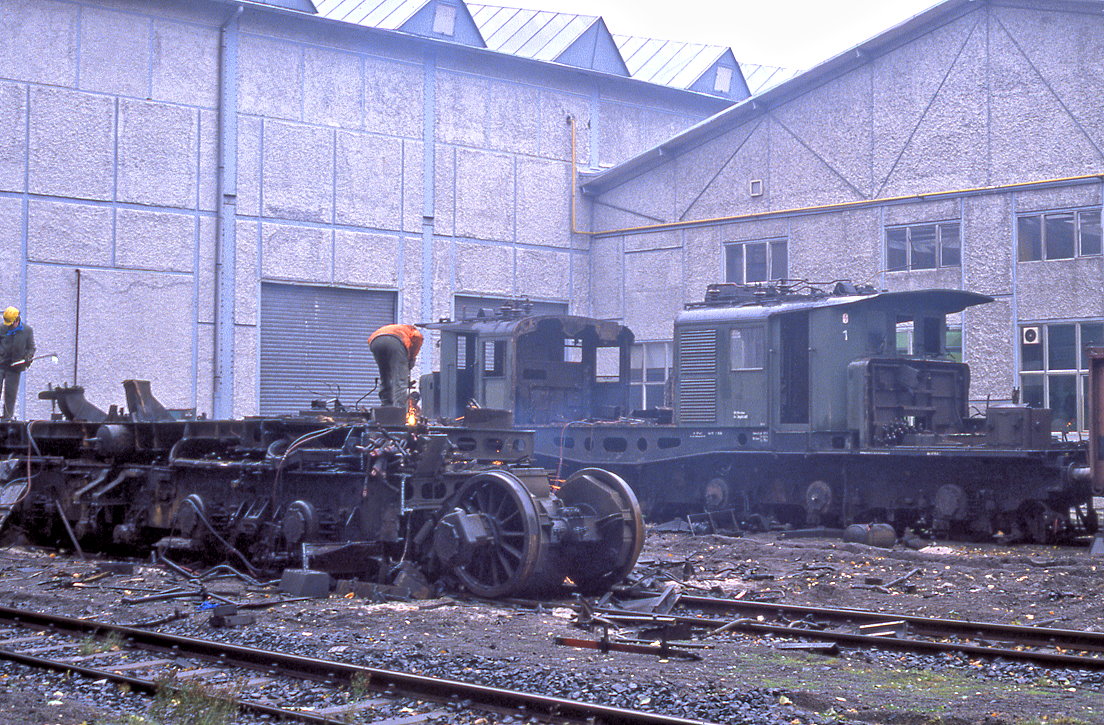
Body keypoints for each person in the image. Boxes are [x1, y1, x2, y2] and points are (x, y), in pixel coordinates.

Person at [367, 323, 423, 407]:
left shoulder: (396, 328)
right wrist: (411, 358)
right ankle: (399, 409)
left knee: (385, 376)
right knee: (400, 379)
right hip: (395, 341)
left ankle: (386, 405)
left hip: (375, 341)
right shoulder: (413, 330)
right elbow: (418, 337)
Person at [0, 307, 34, 420]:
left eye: (10, 323)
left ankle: (7, 419)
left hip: (15, 368)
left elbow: (31, 348)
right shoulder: (1, 328)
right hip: (1, 365)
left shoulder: (27, 331)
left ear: (17, 320)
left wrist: (28, 357)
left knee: (10, 396)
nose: (8, 326)